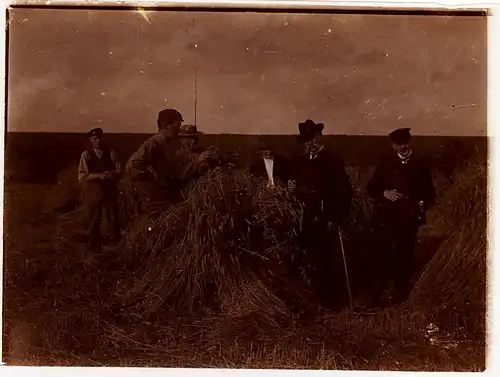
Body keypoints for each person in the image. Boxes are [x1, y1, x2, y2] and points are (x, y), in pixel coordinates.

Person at [288, 119, 354, 309]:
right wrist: (291, 187)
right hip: (302, 217)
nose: (311, 144)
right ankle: (305, 297)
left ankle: (327, 302)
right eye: (307, 141)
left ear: (320, 138)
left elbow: (344, 193)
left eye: (314, 139)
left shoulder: (333, 160)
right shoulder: (298, 161)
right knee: (303, 258)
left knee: (325, 260)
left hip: (325, 217)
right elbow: (293, 185)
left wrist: (333, 218)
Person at [366, 127, 436, 304]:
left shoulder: (420, 163)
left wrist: (421, 203)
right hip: (387, 216)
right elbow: (371, 188)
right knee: (384, 252)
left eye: (404, 143)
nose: (402, 147)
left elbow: (430, 193)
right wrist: (384, 194)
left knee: (405, 253)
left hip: (409, 216)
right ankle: (379, 292)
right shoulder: (386, 162)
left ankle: (400, 293)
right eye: (398, 144)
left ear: (409, 141)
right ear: (393, 145)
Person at [124, 108, 184, 213]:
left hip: (166, 197)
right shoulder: (153, 144)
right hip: (157, 200)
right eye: (177, 127)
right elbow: (131, 166)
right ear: (165, 126)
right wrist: (152, 177)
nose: (179, 131)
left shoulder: (167, 144)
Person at [78, 127, 121, 250]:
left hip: (109, 189)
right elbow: (82, 176)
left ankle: (115, 246)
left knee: (113, 217)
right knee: (94, 218)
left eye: (100, 138)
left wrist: (111, 174)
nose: (98, 141)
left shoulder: (110, 152)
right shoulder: (86, 155)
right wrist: (98, 175)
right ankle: (94, 245)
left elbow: (119, 170)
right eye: (95, 138)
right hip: (93, 190)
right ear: (90, 140)